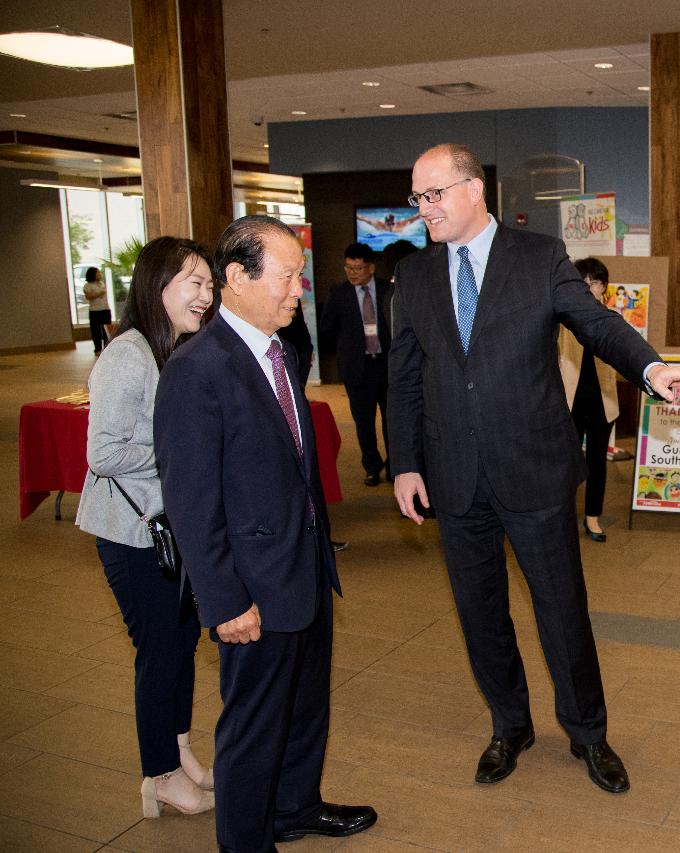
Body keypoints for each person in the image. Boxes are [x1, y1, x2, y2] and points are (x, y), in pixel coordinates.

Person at [388, 143, 680, 795]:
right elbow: (404, 377)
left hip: (532, 468)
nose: (424, 209)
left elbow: (596, 324)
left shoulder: (537, 259)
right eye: (417, 198)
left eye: (435, 194)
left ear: (474, 189)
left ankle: (588, 733)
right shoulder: (416, 277)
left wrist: (651, 368)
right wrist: (404, 464)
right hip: (454, 473)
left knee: (562, 611)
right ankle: (510, 725)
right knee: (480, 613)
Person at [154, 215, 376, 852]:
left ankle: (294, 808)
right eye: (286, 277)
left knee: (305, 709)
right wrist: (224, 602)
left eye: (300, 277)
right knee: (253, 727)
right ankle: (247, 841)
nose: (297, 291)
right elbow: (193, 503)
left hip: (302, 569)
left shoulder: (282, 350)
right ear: (236, 278)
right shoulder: (198, 370)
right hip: (251, 587)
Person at [75, 237, 216, 819]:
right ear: (159, 286)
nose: (206, 296)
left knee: (182, 643)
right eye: (196, 282)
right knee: (159, 652)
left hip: (169, 527)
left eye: (209, 284)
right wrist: (176, 450)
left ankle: (177, 749)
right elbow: (103, 454)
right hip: (132, 535)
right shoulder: (128, 354)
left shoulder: (174, 348)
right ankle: (158, 775)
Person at [319, 243, 393, 486]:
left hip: (386, 365)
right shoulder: (339, 294)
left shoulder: (387, 291)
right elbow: (326, 328)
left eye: (358, 268)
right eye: (348, 268)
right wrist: (346, 346)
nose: (353, 273)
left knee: (392, 420)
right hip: (357, 368)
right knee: (363, 422)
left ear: (371, 267)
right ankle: (372, 466)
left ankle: (395, 465)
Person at [558, 257, 619, 542]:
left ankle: (592, 517)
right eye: (583, 282)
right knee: (567, 463)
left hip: (602, 401)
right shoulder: (563, 317)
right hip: (569, 401)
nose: (590, 287)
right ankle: (563, 519)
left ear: (604, 287)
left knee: (597, 462)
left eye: (595, 282)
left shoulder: (612, 316)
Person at [84, 266, 112, 354]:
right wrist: (99, 293)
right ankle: (98, 349)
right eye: (97, 273)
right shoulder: (88, 285)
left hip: (105, 309)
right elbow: (88, 296)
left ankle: (107, 347)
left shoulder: (101, 283)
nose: (99, 274)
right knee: (96, 330)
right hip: (95, 310)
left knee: (106, 330)